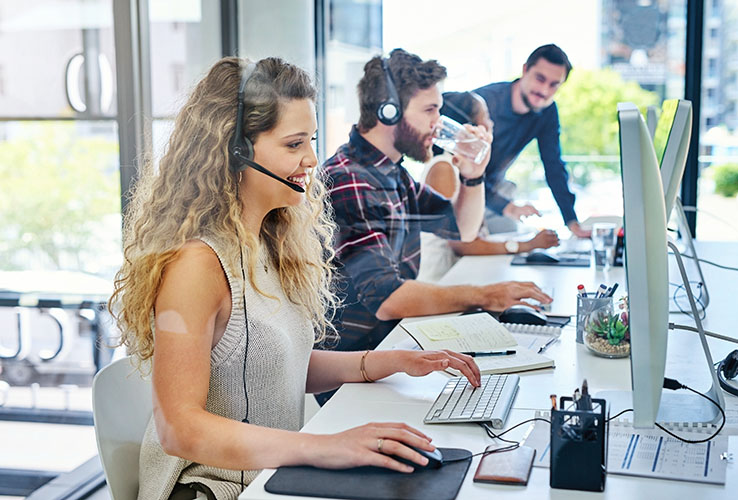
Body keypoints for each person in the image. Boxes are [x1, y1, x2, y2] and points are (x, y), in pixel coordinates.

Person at [108, 56, 482, 500]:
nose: (311, 159)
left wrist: (390, 361)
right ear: (235, 150)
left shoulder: (271, 241)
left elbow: (278, 367)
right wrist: (326, 448)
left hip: (266, 478)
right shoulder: (197, 266)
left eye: (312, 140)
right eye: (293, 144)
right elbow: (178, 429)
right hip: (209, 487)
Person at [322, 48, 552, 357]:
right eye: (430, 110)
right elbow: (387, 299)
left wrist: (473, 176)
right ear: (388, 111)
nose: (438, 122)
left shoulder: (393, 174)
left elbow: (463, 229)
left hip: (392, 345)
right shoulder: (350, 179)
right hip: (355, 366)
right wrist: (485, 295)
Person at [418, 91, 560, 283]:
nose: (491, 124)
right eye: (486, 117)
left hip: (458, 277)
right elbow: (462, 244)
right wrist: (527, 245)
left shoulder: (463, 167)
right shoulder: (444, 168)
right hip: (438, 284)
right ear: (467, 127)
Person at [474, 44, 591, 238]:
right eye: (540, 79)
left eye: (554, 84)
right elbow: (459, 170)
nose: (544, 91)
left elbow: (554, 166)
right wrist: (507, 207)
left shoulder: (547, 112)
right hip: (460, 188)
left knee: (510, 241)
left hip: (494, 189)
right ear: (525, 70)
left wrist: (571, 221)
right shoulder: (483, 102)